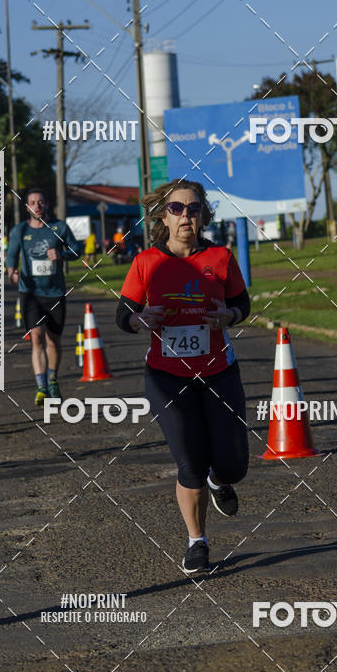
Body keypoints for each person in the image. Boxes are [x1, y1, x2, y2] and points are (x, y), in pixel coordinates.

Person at [116, 179, 250, 576]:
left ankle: (219, 479)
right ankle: (197, 542)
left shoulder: (221, 258)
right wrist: (139, 319)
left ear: (203, 215)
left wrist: (230, 315)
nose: (185, 216)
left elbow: (242, 303)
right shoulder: (146, 262)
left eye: (193, 209)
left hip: (219, 372)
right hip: (167, 376)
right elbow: (123, 314)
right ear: (163, 215)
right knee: (188, 461)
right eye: (176, 209)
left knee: (232, 466)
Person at [6, 187, 79, 405]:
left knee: (53, 340)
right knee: (36, 337)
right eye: (32, 202)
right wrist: (11, 271)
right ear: (27, 206)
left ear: (46, 204)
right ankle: (41, 387)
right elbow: (11, 255)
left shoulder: (59, 227)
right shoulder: (20, 230)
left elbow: (77, 250)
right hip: (30, 292)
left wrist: (62, 254)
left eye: (40, 202)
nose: (37, 206)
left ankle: (53, 379)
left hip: (55, 293)